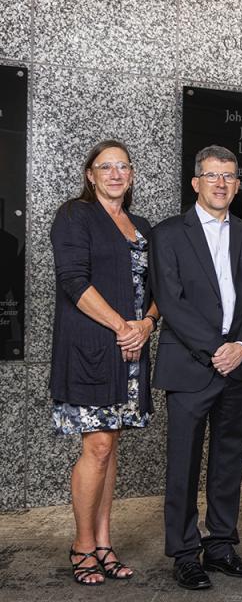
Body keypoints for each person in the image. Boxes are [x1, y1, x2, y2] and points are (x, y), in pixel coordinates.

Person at [150, 145, 242, 590]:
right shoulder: (167, 234)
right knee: (182, 463)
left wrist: (240, 346)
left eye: (230, 176)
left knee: (227, 460)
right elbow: (171, 301)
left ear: (237, 185)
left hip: (237, 366)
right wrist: (216, 348)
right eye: (212, 175)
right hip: (189, 366)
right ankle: (184, 552)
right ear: (196, 182)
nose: (221, 183)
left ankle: (220, 546)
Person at [50, 139, 159, 585]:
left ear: (131, 175)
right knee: (95, 447)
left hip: (132, 349)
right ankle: (81, 545)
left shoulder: (143, 226)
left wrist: (146, 326)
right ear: (90, 175)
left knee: (110, 446)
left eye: (123, 166)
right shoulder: (75, 215)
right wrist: (123, 327)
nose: (115, 173)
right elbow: (72, 280)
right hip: (93, 348)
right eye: (105, 166)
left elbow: (160, 289)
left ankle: (103, 542)